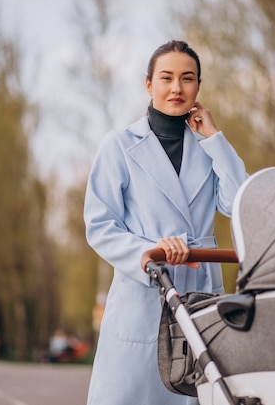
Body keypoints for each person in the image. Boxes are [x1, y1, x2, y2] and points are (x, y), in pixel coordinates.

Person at [83, 40, 248, 405]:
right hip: (145, 294)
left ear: (198, 88)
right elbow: (100, 225)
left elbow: (240, 203)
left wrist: (215, 139)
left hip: (200, 294)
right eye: (166, 77)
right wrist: (149, 251)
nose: (177, 88)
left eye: (187, 78)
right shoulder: (119, 146)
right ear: (148, 84)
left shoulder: (208, 148)